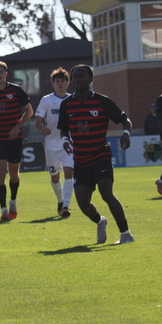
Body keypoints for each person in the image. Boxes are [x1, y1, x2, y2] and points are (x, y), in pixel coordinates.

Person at [58, 64, 135, 245]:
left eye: (82, 76)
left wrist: (126, 133)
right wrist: (65, 140)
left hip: (100, 156)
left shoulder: (102, 101)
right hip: (80, 160)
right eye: (75, 76)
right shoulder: (66, 105)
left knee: (106, 193)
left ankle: (126, 234)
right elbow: (63, 130)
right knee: (83, 203)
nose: (78, 79)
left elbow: (125, 120)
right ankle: (101, 222)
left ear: (90, 79)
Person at [0, 61, 34, 221]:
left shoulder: (16, 90)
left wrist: (17, 126)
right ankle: (3, 210)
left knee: (14, 174)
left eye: (1, 71)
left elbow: (29, 111)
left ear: (6, 74)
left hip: (14, 138)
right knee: (1, 173)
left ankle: (13, 202)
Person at [34, 67, 74, 218]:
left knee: (69, 172)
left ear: (67, 83)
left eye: (63, 81)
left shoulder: (73, 99)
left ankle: (66, 206)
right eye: (57, 81)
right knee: (55, 177)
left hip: (68, 143)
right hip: (51, 145)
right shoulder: (46, 100)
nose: (60, 84)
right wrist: (42, 128)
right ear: (53, 84)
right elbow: (37, 122)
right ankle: (60, 200)